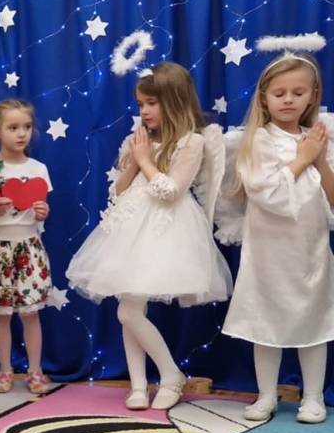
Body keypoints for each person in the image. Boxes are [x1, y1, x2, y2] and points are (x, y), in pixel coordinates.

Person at [66, 62, 231, 411]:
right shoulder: (140, 140)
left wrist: (145, 159)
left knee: (128, 312)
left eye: (152, 103)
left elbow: (170, 191)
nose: (144, 111)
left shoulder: (192, 141)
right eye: (141, 104)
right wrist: (134, 159)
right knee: (129, 308)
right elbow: (118, 191)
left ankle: (171, 375)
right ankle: (139, 385)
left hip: (166, 230)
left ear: (174, 100)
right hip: (129, 228)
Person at [223, 52, 334, 423]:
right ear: (264, 97)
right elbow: (265, 193)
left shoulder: (320, 138)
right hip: (269, 250)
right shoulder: (259, 140)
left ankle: (313, 396)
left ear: (312, 96)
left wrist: (318, 159)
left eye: (298, 93)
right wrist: (302, 159)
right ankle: (267, 395)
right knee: (265, 320)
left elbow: (332, 196)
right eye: (280, 93)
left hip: (310, 249)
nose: (288, 100)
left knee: (315, 321)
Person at [0, 100, 54, 395]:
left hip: (29, 248)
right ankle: (5, 371)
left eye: (26, 127)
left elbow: (41, 211)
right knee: (1, 314)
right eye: (13, 127)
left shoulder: (38, 168)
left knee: (30, 314)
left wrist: (42, 212)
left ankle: (35, 371)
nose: (21, 134)